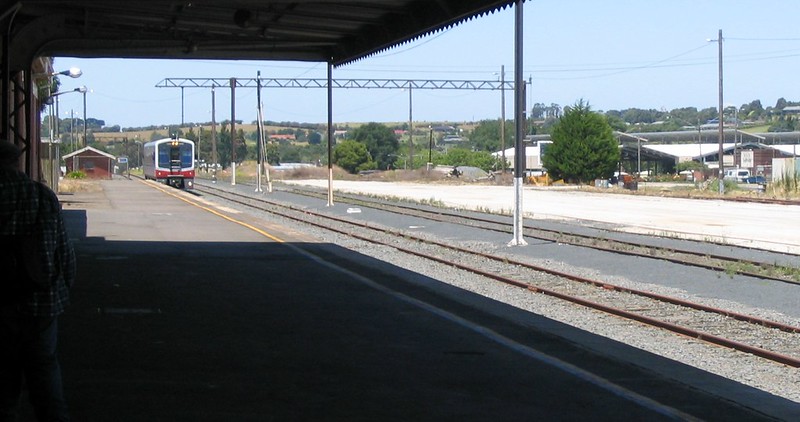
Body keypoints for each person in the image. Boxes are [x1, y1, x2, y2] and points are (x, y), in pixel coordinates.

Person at [0, 141, 75, 421]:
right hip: (41, 302)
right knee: (45, 376)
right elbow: (65, 255)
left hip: (2, 305)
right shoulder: (42, 196)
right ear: (17, 161)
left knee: (4, 383)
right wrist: (61, 293)